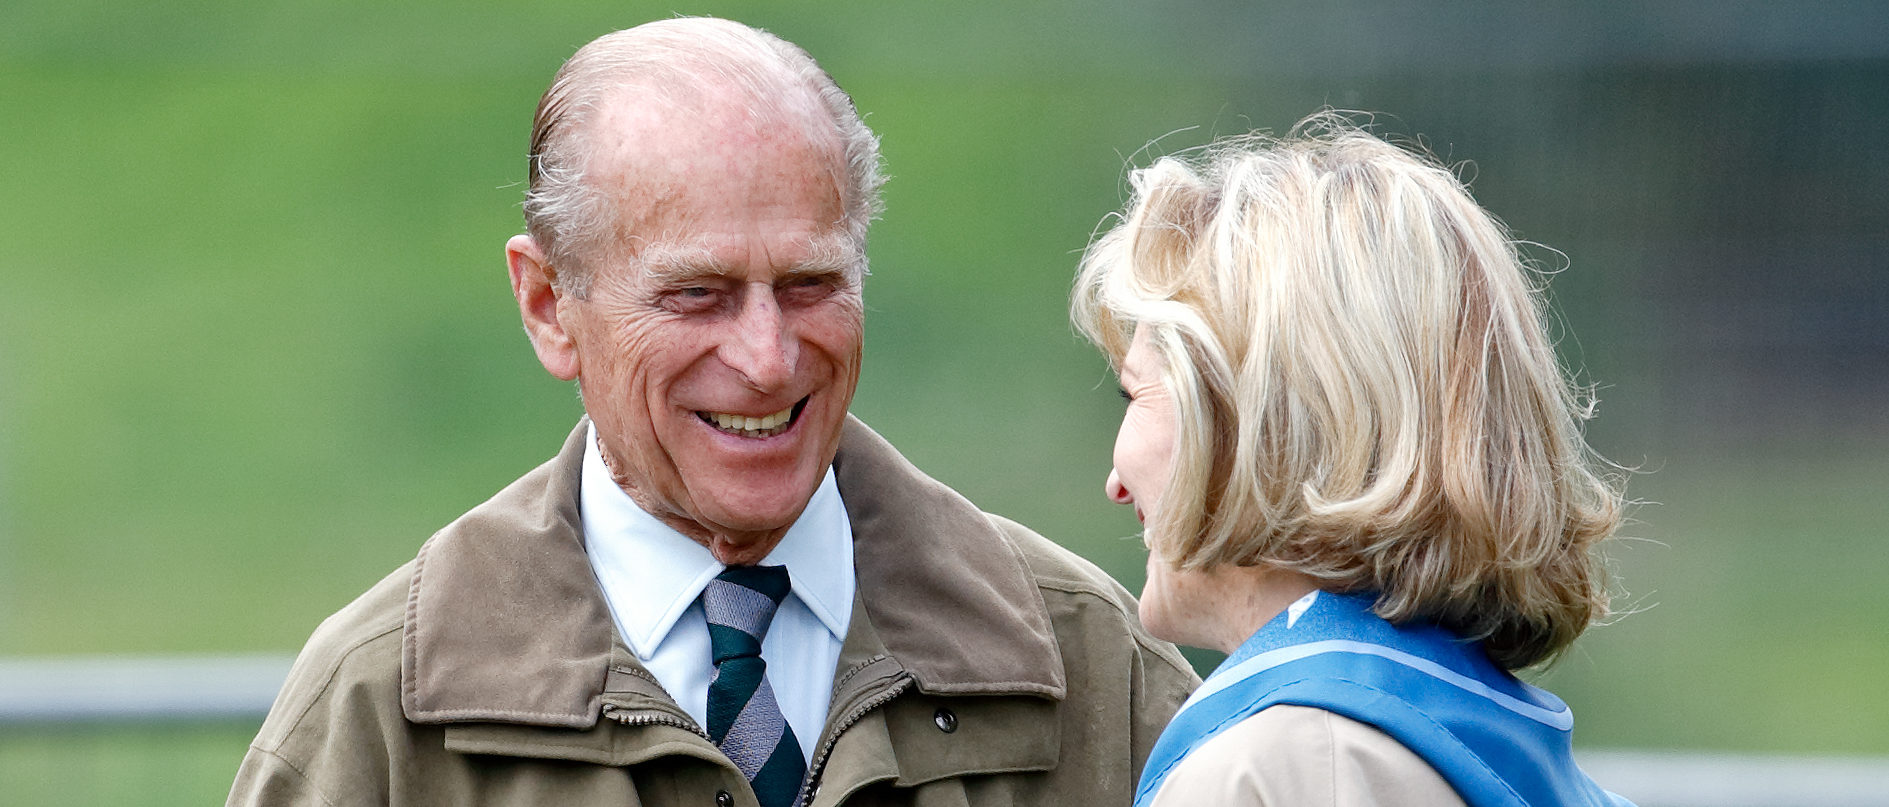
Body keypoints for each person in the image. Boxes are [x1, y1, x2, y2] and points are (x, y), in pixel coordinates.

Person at [228, 17, 1197, 807]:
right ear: (548, 306)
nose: (767, 359)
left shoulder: (1088, 665)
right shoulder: (382, 711)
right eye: (696, 295)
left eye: (811, 284)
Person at [1071, 115, 1635, 807]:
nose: (1115, 483)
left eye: (1134, 394)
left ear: (1257, 425)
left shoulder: (1276, 772)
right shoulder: (1504, 756)